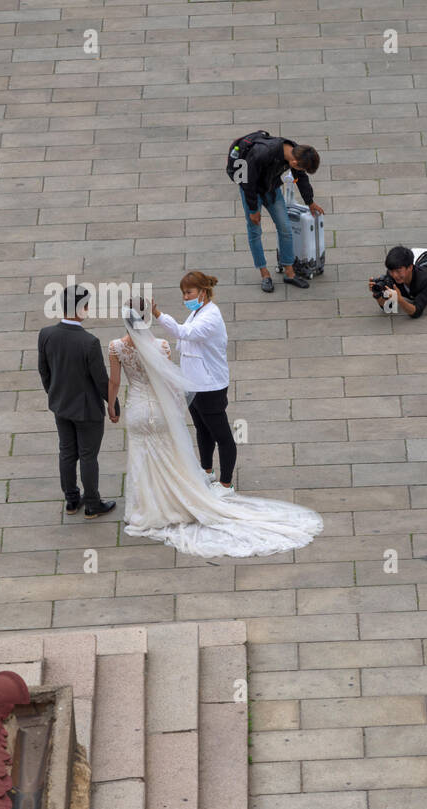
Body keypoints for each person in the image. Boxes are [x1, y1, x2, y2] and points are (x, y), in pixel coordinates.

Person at [107, 304, 324, 558]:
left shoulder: (115, 347)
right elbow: (167, 381)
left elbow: (114, 381)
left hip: (136, 409)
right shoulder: (162, 347)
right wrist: (176, 410)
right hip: (159, 411)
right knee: (167, 455)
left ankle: (147, 507)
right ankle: (176, 501)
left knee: (142, 457)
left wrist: (111, 406)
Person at [149, 271, 236, 489]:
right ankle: (207, 471)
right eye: (184, 293)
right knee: (202, 429)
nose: (185, 297)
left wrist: (157, 314)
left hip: (209, 386)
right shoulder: (198, 312)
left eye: (189, 292)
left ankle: (226, 485)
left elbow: (183, 332)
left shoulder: (211, 317)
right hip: (193, 384)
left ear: (203, 292)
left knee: (222, 436)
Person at [37, 284, 116, 519]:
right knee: (88, 456)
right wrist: (113, 405)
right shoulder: (89, 342)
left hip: (60, 406)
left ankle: (72, 500)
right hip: (87, 410)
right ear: (82, 308)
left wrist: (54, 394)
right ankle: (92, 504)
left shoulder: (46, 334)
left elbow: (44, 370)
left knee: (67, 453)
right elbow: (101, 380)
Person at [234, 134, 324, 291]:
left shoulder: (296, 151)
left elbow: (301, 178)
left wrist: (310, 202)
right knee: (255, 231)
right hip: (251, 190)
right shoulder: (263, 153)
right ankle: (264, 274)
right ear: (294, 162)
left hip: (271, 187)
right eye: (300, 168)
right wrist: (253, 209)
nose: (299, 171)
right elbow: (247, 182)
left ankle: (290, 273)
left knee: (285, 228)